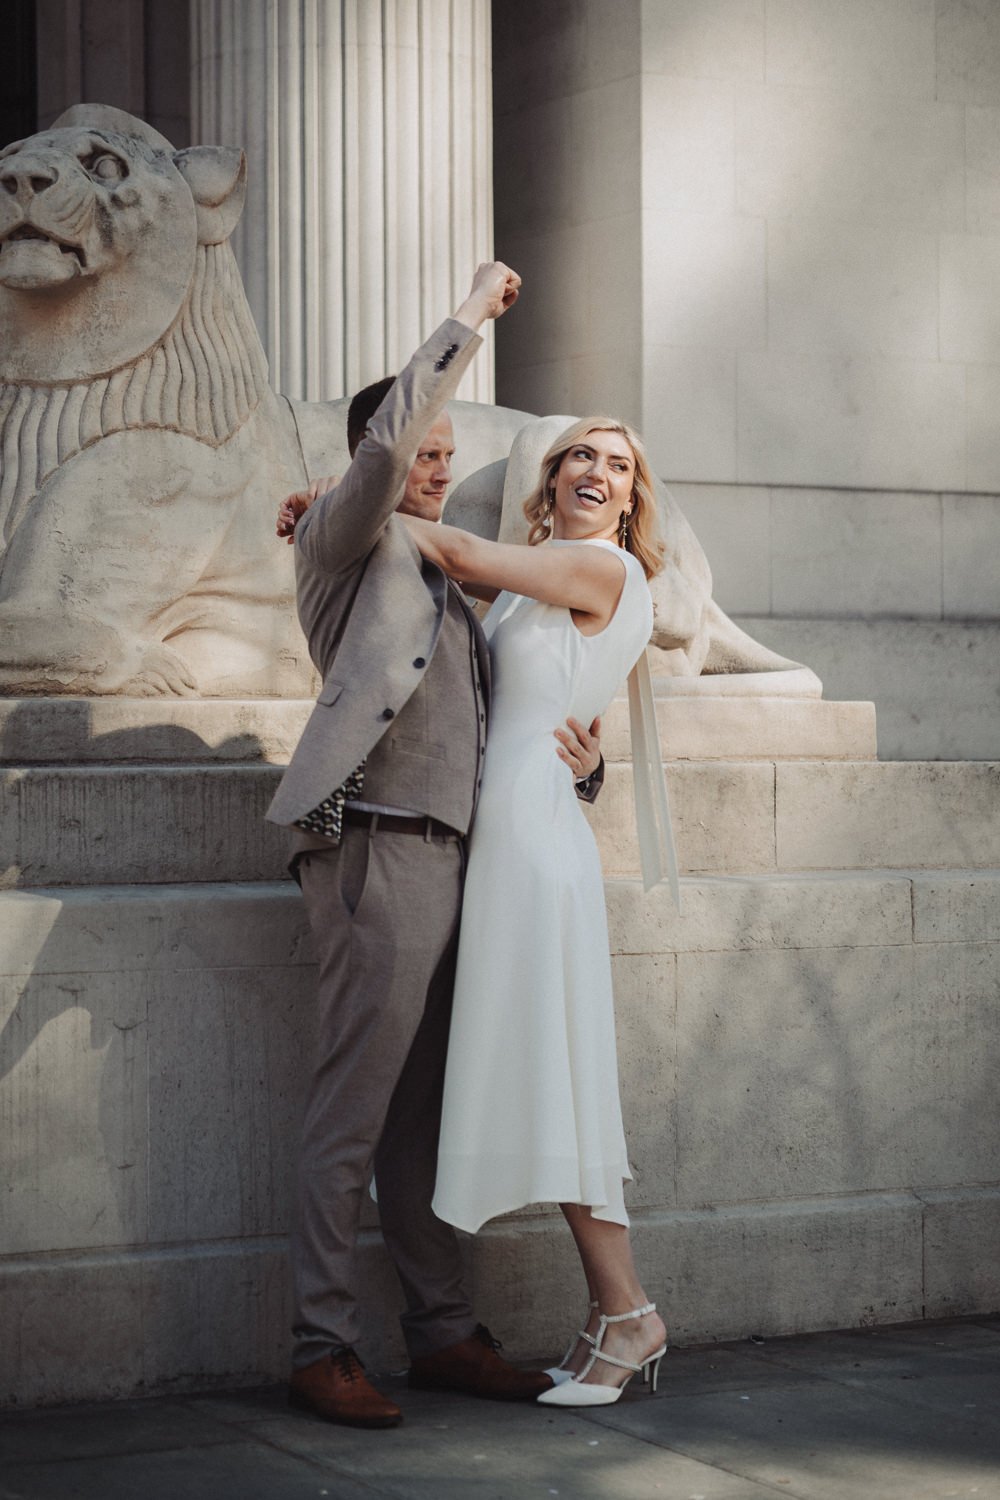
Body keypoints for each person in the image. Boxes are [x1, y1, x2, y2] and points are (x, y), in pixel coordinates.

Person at [266, 262, 605, 1430]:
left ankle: (441, 1331)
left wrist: (585, 766)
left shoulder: (450, 576)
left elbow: (509, 719)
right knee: (352, 1109)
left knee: (422, 1114)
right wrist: (468, 316)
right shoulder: (346, 538)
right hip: (373, 844)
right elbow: (379, 464)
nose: (442, 465)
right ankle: (320, 1345)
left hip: (466, 861)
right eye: (422, 448)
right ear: (376, 451)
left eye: (450, 454)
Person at [398, 411, 671, 1407]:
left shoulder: (602, 570)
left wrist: (345, 518)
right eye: (583, 457)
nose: (600, 472)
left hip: (530, 850)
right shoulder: (541, 578)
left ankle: (629, 1312)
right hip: (508, 840)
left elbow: (456, 550)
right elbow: (460, 588)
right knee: (549, 1076)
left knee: (562, 1081)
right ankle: (618, 1313)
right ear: (549, 478)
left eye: (619, 466)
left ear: (630, 499)